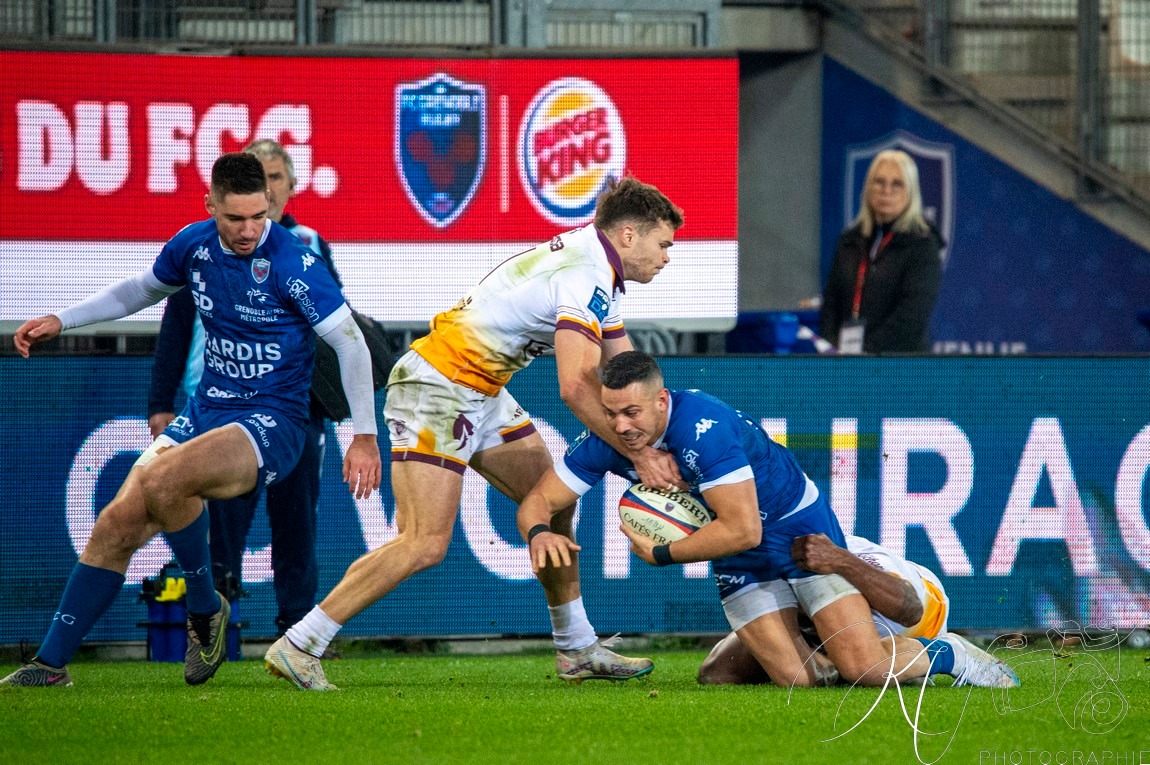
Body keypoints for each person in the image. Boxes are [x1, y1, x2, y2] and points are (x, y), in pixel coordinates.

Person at [265, 176, 684, 691]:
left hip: (481, 389)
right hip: (437, 388)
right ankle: (301, 641)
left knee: (552, 502)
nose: (668, 256)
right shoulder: (585, 273)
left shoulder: (599, 268)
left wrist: (663, 437)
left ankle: (576, 648)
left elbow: (626, 374)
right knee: (423, 543)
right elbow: (576, 387)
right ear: (626, 235)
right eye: (663, 243)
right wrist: (639, 456)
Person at [1, 153, 381, 688]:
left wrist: (363, 436)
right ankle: (50, 665)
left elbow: (349, 342)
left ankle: (203, 607)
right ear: (210, 206)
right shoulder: (193, 244)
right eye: (234, 219)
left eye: (258, 216)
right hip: (206, 410)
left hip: (274, 422)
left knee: (163, 479)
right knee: (117, 522)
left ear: (270, 205)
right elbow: (138, 290)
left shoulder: (293, 261)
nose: (249, 230)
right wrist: (63, 318)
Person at [520, 351, 1020, 689]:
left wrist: (662, 553)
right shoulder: (611, 440)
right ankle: (836, 643)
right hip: (738, 552)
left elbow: (744, 529)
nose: (621, 426)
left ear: (661, 399)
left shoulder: (703, 430)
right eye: (611, 414)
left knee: (864, 667)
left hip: (796, 529)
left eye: (631, 412)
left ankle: (948, 654)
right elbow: (534, 502)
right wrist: (541, 531)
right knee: (796, 680)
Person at [148, 139, 342, 636]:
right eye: (260, 179)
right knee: (222, 517)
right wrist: (161, 400)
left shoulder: (309, 247)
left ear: (290, 187)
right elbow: (175, 319)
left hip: (293, 409)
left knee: (296, 520)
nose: (268, 189)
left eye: (275, 178)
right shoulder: (203, 246)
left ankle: (297, 626)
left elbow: (337, 330)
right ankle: (214, 618)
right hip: (215, 403)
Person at [697, 532, 998, 686]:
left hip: (916, 616)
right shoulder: (754, 558)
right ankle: (886, 667)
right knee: (719, 673)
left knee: (864, 669)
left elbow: (910, 610)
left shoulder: (822, 549)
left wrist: (841, 561)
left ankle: (944, 653)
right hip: (823, 628)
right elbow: (716, 671)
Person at [819, 149, 944, 354]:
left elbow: (911, 317)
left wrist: (867, 353)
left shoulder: (923, 245)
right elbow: (831, 306)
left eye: (897, 184)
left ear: (911, 193)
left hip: (900, 368)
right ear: (868, 187)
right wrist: (833, 349)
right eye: (879, 182)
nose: (886, 191)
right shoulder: (849, 241)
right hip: (846, 366)